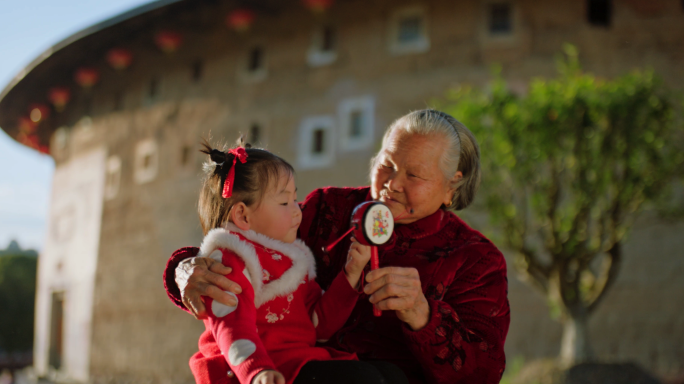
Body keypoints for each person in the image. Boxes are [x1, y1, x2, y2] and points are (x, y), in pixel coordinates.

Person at [164, 110, 510, 384]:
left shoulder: (476, 261)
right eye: (386, 165)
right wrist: (185, 268)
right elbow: (240, 242)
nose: (391, 185)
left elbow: (483, 374)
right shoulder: (327, 208)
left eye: (414, 176)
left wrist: (423, 314)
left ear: (452, 186)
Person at [180, 139, 409, 384]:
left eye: (295, 198)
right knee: (362, 379)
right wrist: (256, 372)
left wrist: (351, 272)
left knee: (392, 376)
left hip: (296, 362)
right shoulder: (229, 259)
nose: (297, 210)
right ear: (242, 215)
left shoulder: (290, 258)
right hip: (252, 369)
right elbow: (231, 328)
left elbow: (317, 326)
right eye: (284, 202)